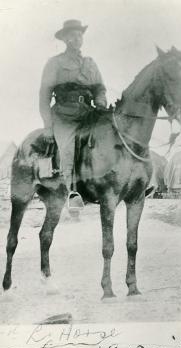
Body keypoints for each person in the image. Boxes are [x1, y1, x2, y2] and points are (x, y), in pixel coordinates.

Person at [39, 20, 107, 208]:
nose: (77, 39)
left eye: (80, 35)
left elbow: (100, 88)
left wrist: (101, 102)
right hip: (64, 115)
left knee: (112, 134)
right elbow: (44, 96)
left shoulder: (90, 64)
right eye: (73, 35)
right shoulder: (55, 63)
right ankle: (72, 192)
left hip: (89, 113)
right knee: (68, 148)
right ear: (65, 39)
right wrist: (47, 126)